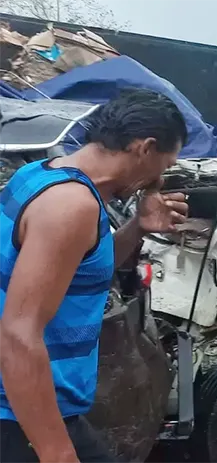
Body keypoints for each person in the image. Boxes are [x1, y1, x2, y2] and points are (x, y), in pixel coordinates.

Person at [0, 88, 189, 463]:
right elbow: (18, 334)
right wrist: (54, 449)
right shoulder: (72, 205)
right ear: (145, 148)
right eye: (165, 166)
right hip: (18, 414)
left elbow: (79, 269)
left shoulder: (40, 175)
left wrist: (139, 226)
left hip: (36, 405)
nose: (159, 178)